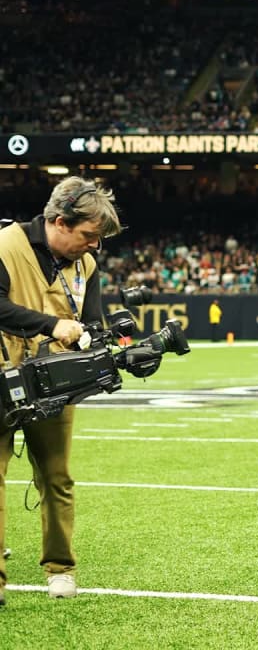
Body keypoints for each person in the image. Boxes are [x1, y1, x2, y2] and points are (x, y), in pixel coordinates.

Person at [0, 177, 122, 604]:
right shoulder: (4, 245)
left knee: (57, 477)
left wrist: (108, 349)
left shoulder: (86, 265)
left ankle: (61, 568)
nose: (94, 246)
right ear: (58, 221)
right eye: (89, 236)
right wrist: (50, 324)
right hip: (1, 379)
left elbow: (91, 324)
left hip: (53, 384)